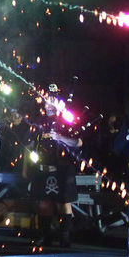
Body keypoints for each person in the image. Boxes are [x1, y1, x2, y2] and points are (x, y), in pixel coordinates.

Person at [27, 93, 83, 248]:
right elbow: (30, 145)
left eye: (52, 102)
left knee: (63, 202)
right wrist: (28, 167)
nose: (49, 105)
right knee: (44, 203)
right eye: (47, 102)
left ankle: (65, 238)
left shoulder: (67, 120)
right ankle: (46, 237)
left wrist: (60, 138)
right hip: (42, 168)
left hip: (63, 168)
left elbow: (78, 142)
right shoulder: (39, 122)